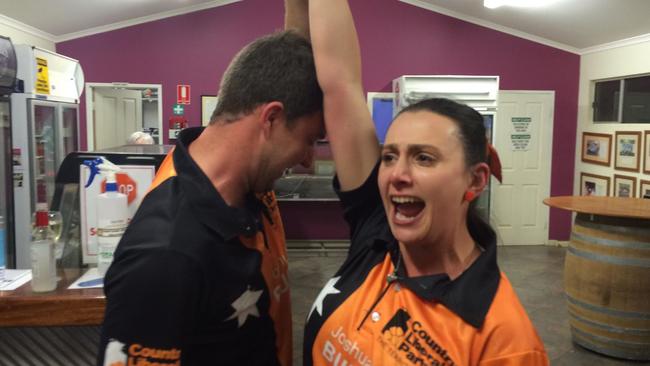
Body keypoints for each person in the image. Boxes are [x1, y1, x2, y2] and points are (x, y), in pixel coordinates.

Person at [285, 0, 549, 364]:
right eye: (390, 156)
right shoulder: (377, 233)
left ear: (475, 180)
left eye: (424, 158)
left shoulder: (505, 339)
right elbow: (339, 82)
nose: (397, 174)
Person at [97, 30, 324, 365]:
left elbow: (295, 48)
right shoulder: (166, 256)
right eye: (309, 139)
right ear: (272, 119)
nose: (308, 160)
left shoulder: (244, 184)